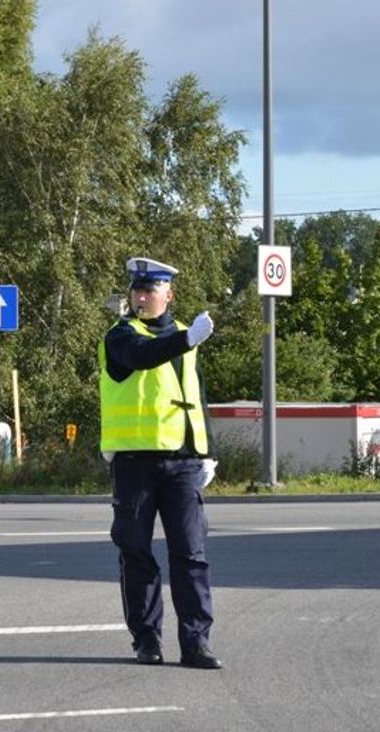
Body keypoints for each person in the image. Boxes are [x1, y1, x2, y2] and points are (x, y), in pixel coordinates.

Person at [98, 257, 222, 670]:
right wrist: (187, 339)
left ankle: (196, 643)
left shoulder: (186, 340)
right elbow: (143, 356)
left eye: (150, 290)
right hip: (135, 463)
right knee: (136, 552)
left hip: (183, 464)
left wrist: (207, 450)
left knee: (191, 554)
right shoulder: (120, 336)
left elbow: (193, 396)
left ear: (169, 294)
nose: (141, 297)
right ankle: (147, 639)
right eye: (137, 290)